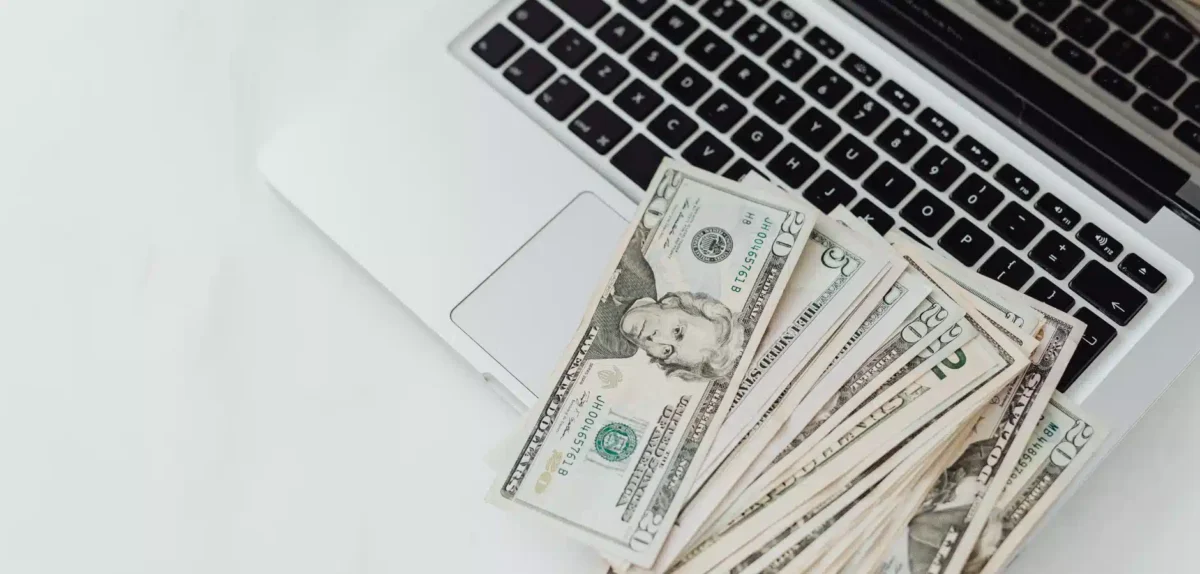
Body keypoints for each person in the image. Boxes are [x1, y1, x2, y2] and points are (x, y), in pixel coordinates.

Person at [618, 291, 745, 382]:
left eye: (667, 351)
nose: (655, 339)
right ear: (672, 302)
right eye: (676, 331)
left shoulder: (618, 349)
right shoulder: (635, 272)